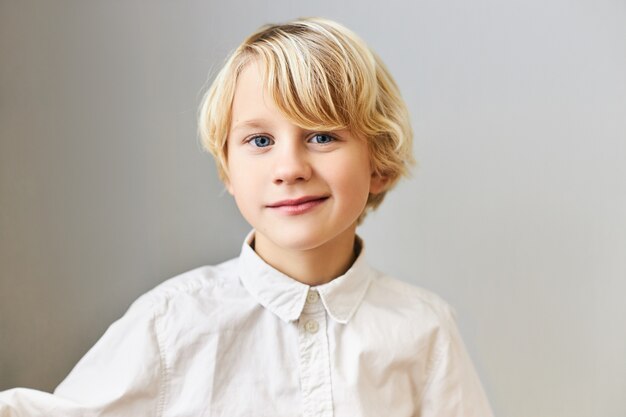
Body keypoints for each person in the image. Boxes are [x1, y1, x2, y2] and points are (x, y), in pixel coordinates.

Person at [0, 17, 494, 417]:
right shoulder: (171, 323)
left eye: (322, 136)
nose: (290, 168)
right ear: (228, 172)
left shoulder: (424, 330)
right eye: (260, 141)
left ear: (379, 164)